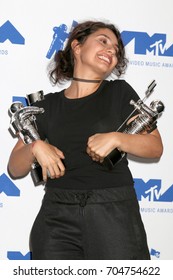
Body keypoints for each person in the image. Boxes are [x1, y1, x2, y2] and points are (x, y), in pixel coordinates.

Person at [8, 20, 163, 260]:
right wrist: (35, 147)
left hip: (113, 211)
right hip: (55, 217)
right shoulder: (45, 106)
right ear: (77, 47)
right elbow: (15, 168)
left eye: (116, 50)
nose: (112, 50)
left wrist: (116, 138)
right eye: (103, 41)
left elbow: (155, 147)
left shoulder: (119, 93)